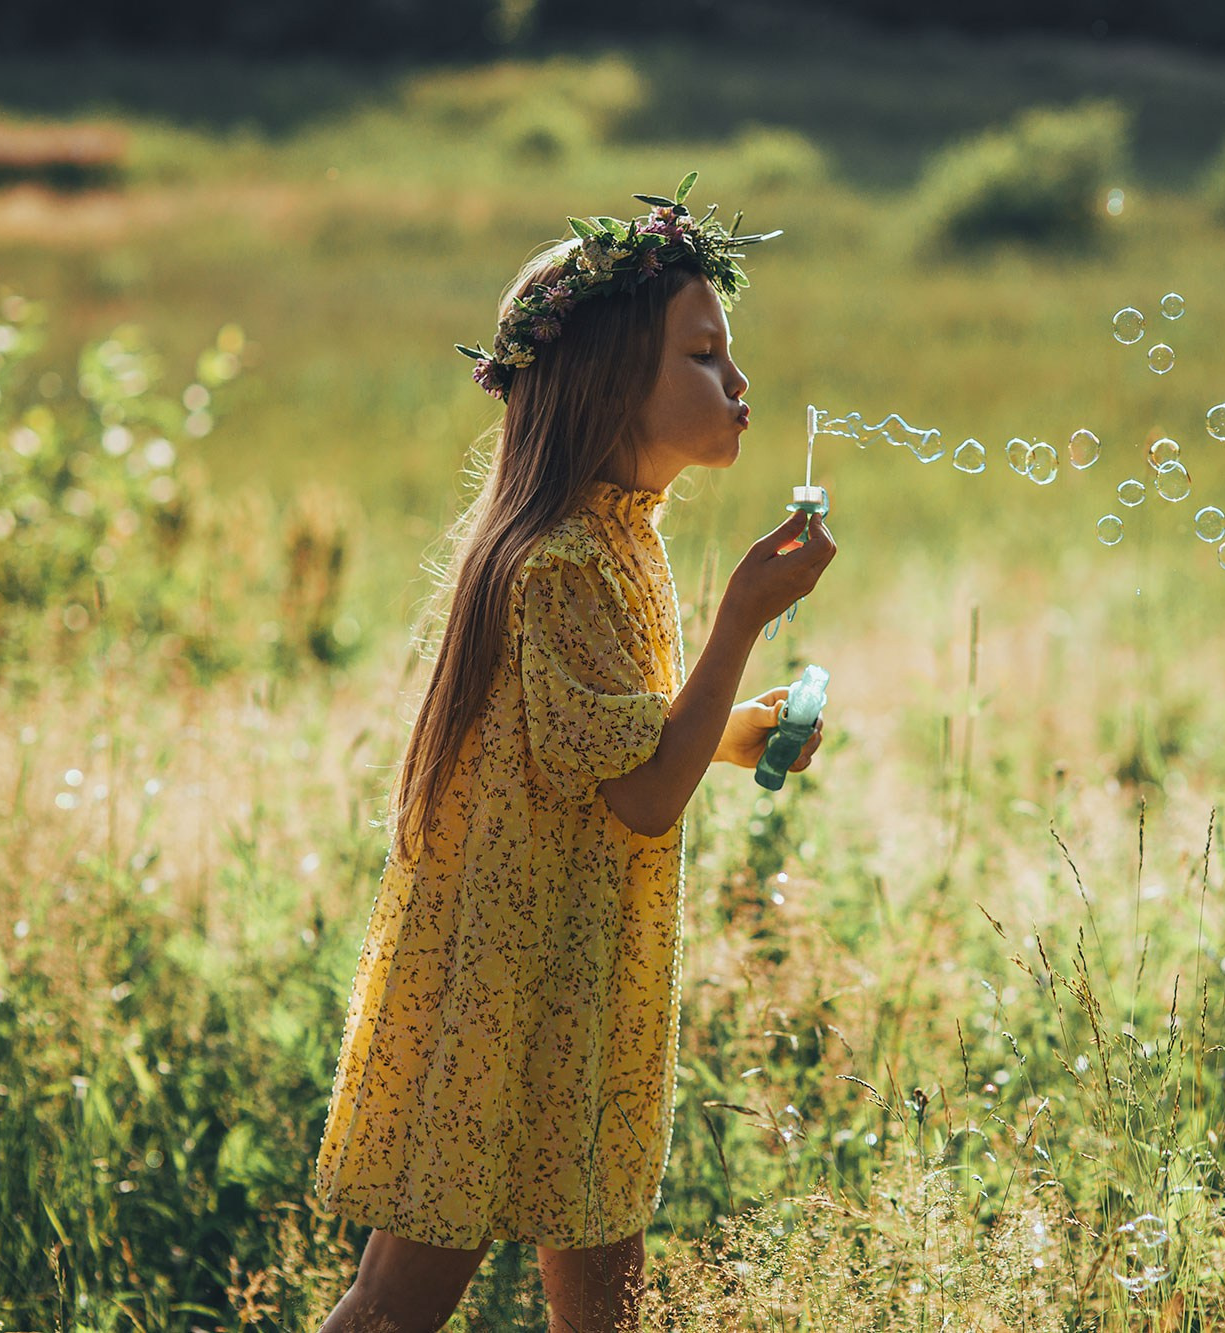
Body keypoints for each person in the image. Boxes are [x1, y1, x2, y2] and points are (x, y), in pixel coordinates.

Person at [312, 175, 835, 1333]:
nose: (739, 385)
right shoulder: (558, 564)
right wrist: (744, 613)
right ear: (608, 386)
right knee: (400, 1300)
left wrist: (742, 728)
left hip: (586, 974)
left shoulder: (616, 539)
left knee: (603, 1297)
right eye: (703, 358)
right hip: (507, 993)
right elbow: (644, 796)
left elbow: (614, 735)